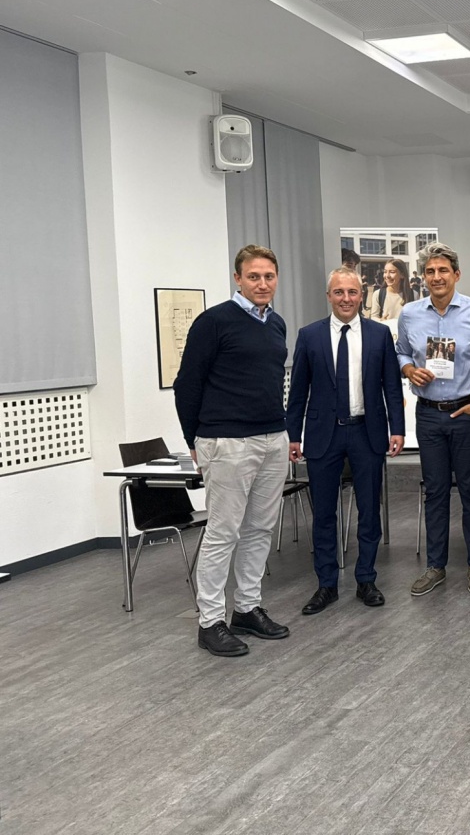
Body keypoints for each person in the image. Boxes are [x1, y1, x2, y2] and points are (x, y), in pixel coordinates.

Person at [174, 245, 290, 657]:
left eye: (269, 276)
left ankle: (246, 608)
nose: (262, 283)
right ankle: (210, 622)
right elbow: (187, 385)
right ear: (238, 279)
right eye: (254, 276)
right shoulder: (213, 322)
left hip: (272, 438)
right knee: (223, 533)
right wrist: (194, 440)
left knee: (260, 529)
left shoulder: (276, 323)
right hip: (226, 441)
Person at [286, 268, 405, 615]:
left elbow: (391, 386)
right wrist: (294, 435)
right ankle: (326, 584)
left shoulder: (379, 335)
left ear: (361, 295)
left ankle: (366, 579)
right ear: (329, 296)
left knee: (369, 511)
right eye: (338, 292)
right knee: (324, 513)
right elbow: (298, 391)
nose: (346, 299)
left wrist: (397, 429)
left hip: (367, 432)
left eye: (352, 292)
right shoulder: (309, 336)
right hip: (324, 434)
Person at [397, 243, 470, 598]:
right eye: (430, 271)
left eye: (443, 270)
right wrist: (409, 369)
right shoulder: (410, 314)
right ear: (423, 277)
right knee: (436, 491)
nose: (437, 277)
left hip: (466, 413)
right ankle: (435, 566)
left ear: (456, 274)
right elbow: (400, 352)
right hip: (428, 414)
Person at [371, 258, 415, 325]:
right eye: (385, 272)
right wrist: (381, 321)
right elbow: (374, 317)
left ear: (402, 275)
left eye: (392, 272)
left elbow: (417, 318)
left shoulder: (413, 294)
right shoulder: (378, 294)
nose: (387, 276)